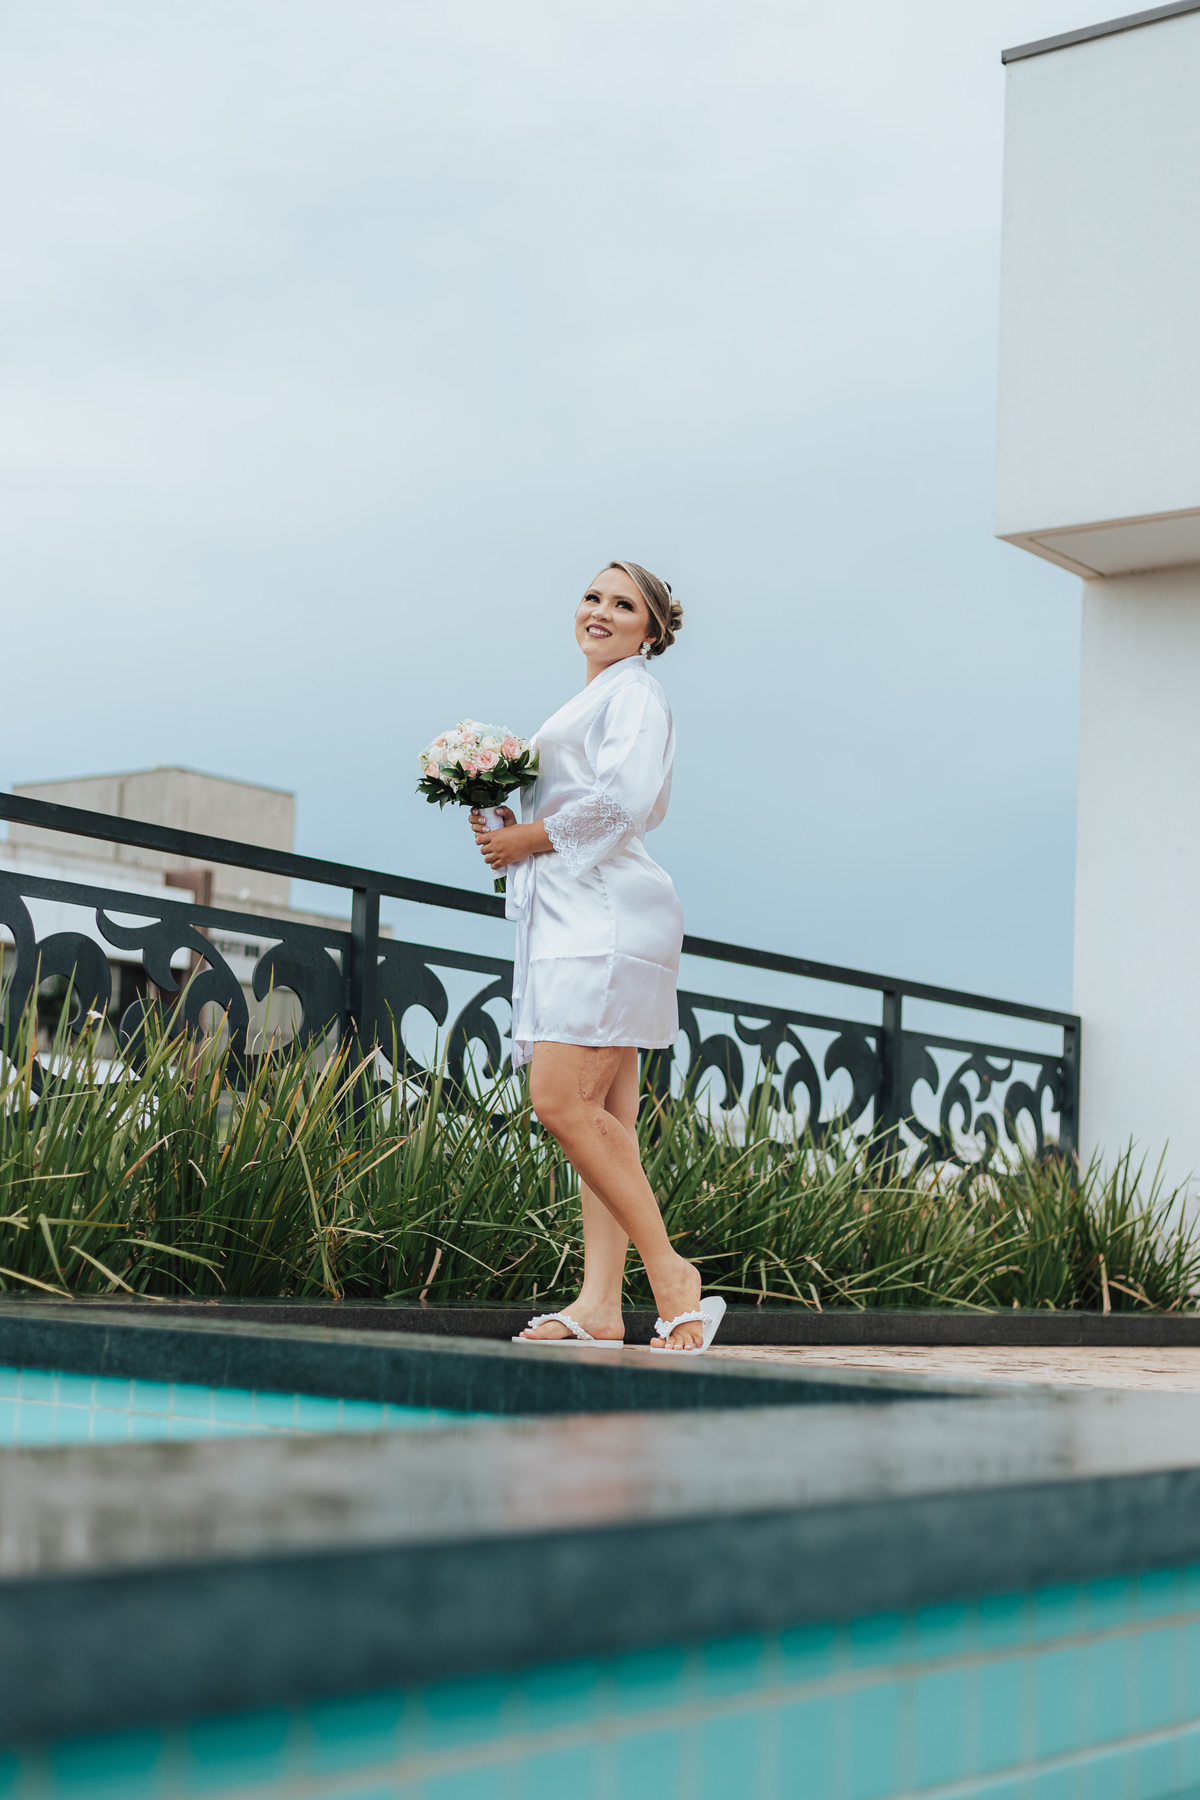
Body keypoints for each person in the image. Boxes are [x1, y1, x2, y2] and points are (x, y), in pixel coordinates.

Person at [469, 560, 725, 1354]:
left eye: (623, 604)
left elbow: (622, 801)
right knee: (605, 1120)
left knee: (560, 1101)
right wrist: (506, 823)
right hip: (573, 917)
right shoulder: (593, 699)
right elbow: (578, 799)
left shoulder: (637, 694)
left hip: (607, 919)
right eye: (593, 597)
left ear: (652, 631)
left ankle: (672, 1276)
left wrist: (528, 837)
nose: (601, 611)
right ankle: (601, 1305)